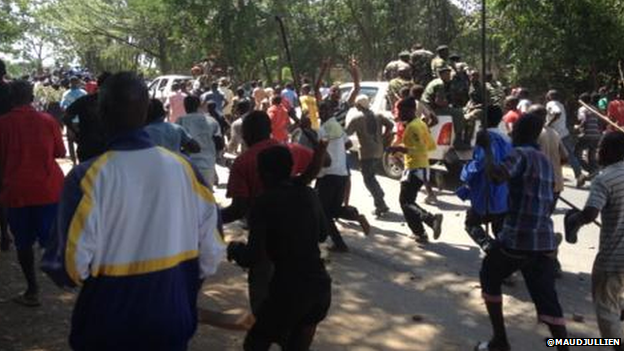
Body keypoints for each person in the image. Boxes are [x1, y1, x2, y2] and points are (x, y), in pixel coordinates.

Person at [42, 72, 225, 351]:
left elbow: (69, 268)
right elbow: (211, 250)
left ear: (102, 112)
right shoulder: (186, 170)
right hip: (171, 320)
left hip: (108, 327)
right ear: (147, 110)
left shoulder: (86, 178)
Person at [477, 113, 569, 351]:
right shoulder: (544, 160)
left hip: (519, 238)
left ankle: (500, 341)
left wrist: (487, 149)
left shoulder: (520, 154)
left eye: (514, 129)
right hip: (544, 239)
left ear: (519, 132)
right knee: (547, 300)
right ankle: (564, 347)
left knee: (489, 274)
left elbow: (497, 176)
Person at [227, 146, 332, 351]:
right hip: (320, 288)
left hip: (289, 290)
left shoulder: (264, 202)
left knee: (255, 343)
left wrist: (235, 249)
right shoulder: (308, 193)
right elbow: (322, 234)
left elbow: (253, 257)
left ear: (265, 173)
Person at [222, 111, 325, 317]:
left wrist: (210, 221)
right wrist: (317, 145)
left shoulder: (245, 166)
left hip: (269, 255)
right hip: (308, 266)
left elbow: (240, 210)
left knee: (263, 316)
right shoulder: (290, 155)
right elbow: (323, 163)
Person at [0, 80, 65, 306]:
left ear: (11, 98)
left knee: (23, 243)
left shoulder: (3, 124)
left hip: (17, 192)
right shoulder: (47, 121)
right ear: (31, 97)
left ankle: (32, 290)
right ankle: (68, 281)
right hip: (48, 189)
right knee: (51, 238)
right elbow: (60, 151)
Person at [565, 132, 624, 349]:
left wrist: (574, 221)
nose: (597, 152)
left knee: (605, 306)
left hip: (614, 257)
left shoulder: (604, 178)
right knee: (615, 297)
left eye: (600, 148)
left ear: (609, 152)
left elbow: (590, 213)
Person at [316, 97, 370, 252]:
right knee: (333, 209)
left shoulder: (322, 130)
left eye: (324, 110)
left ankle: (339, 243)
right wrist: (338, 150)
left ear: (331, 112)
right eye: (320, 111)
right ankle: (356, 216)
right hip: (341, 173)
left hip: (328, 174)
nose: (321, 113)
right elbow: (348, 144)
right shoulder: (337, 127)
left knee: (324, 212)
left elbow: (322, 155)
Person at [456, 105, 512, 250]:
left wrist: (466, 173)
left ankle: (489, 247)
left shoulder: (485, 138)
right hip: (503, 190)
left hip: (486, 189)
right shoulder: (506, 139)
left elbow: (480, 163)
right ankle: (506, 253)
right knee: (499, 227)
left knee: (471, 223)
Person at [389, 97, 443, 244]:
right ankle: (419, 233)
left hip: (415, 168)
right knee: (407, 201)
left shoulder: (413, 126)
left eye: (401, 110)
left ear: (410, 110)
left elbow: (419, 149)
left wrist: (401, 149)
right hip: (420, 166)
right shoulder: (420, 124)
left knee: (405, 202)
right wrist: (403, 150)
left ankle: (431, 220)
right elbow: (430, 146)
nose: (398, 113)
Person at [346, 95, 393, 217]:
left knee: (368, 179)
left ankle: (380, 202)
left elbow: (346, 133)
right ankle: (380, 201)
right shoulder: (378, 115)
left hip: (367, 152)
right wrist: (384, 137)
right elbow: (391, 125)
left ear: (359, 105)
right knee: (371, 176)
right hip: (378, 150)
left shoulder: (356, 118)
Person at [176, 95, 223, 189]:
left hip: (187, 165)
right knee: (206, 196)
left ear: (184, 106)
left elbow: (177, 143)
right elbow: (219, 144)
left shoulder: (180, 121)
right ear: (199, 105)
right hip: (207, 164)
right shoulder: (212, 121)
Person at [63, 72, 111, 162]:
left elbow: (66, 116)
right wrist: (77, 133)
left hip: (87, 147)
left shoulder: (85, 99)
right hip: (106, 150)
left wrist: (77, 133)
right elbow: (66, 116)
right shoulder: (117, 104)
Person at [423, 66, 469, 149]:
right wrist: (448, 105)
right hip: (431, 109)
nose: (448, 76)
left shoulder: (436, 81)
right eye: (446, 74)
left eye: (449, 73)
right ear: (441, 75)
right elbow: (439, 102)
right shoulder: (440, 84)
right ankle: (458, 141)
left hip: (427, 107)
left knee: (456, 109)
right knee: (458, 113)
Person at [545, 89, 584, 187]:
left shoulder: (551, 104)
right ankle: (579, 175)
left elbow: (557, 113)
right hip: (564, 133)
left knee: (549, 154)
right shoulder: (561, 105)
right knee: (569, 155)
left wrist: (548, 124)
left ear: (549, 96)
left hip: (555, 134)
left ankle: (551, 177)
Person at [575, 93, 602, 174]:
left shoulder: (582, 109)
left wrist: (578, 127)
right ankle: (594, 171)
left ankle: (589, 169)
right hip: (596, 135)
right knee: (591, 156)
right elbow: (599, 122)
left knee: (576, 154)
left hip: (587, 135)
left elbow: (584, 120)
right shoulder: (595, 109)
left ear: (582, 101)